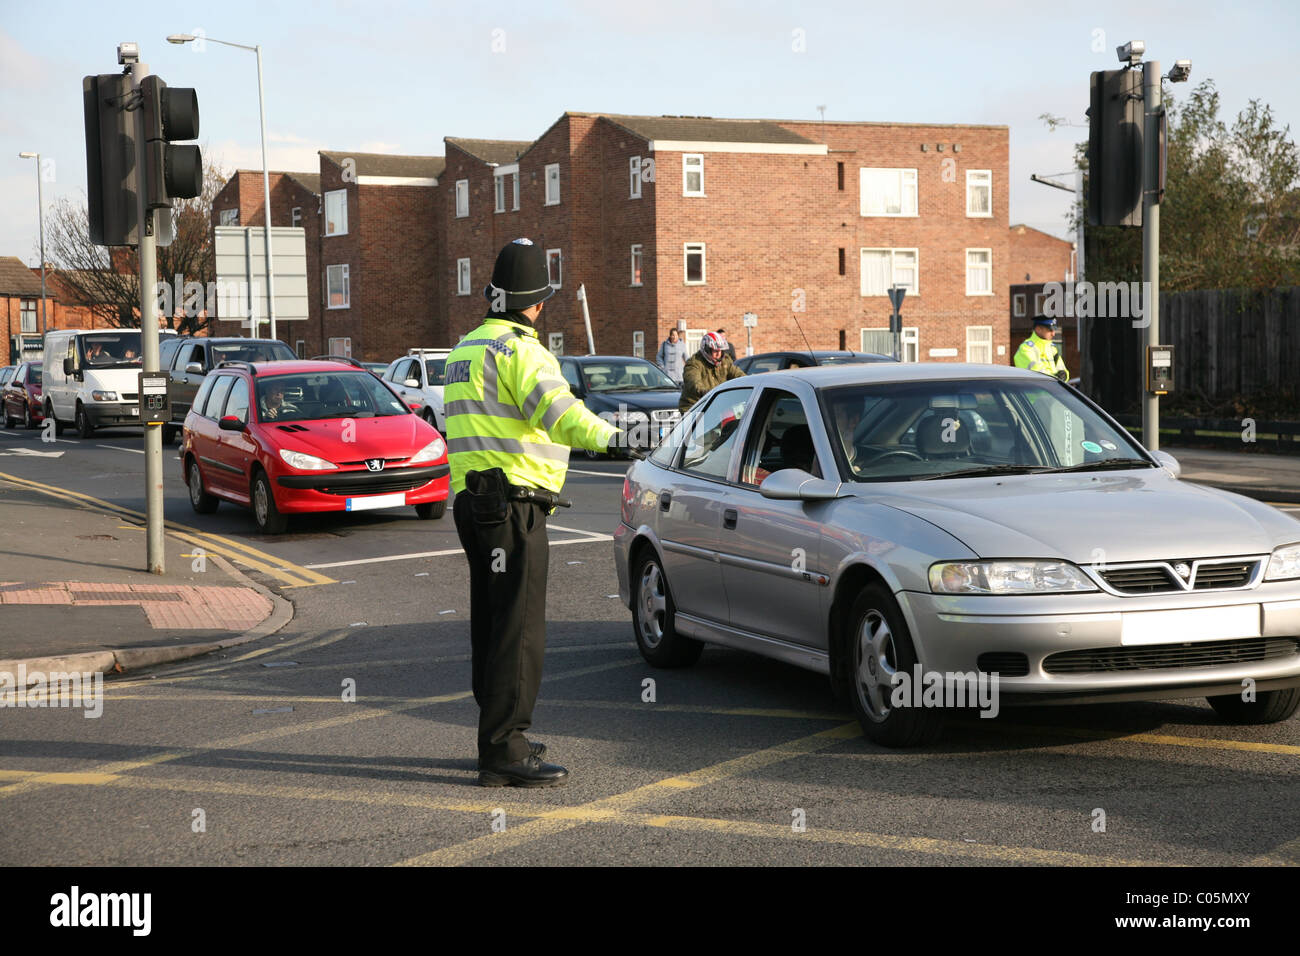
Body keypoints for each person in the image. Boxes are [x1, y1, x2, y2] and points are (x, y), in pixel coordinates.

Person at [447, 237, 625, 789]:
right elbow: (560, 413)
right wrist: (617, 437)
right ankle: (505, 749)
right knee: (520, 631)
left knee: (492, 627)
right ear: (536, 303)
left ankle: (495, 739)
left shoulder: (464, 350)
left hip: (471, 506)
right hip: (515, 507)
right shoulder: (521, 351)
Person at [678, 331, 744, 413]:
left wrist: (748, 381)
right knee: (700, 425)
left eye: (720, 351)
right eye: (715, 351)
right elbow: (693, 381)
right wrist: (705, 391)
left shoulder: (725, 361)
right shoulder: (694, 363)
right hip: (694, 407)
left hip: (714, 404)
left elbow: (738, 374)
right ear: (707, 349)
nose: (718, 354)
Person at [1014, 315, 1069, 381]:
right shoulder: (1026, 348)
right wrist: (1057, 378)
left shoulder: (1052, 349)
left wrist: (1064, 376)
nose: (1053, 334)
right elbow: (1037, 374)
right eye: (1050, 330)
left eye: (1054, 330)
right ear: (1038, 329)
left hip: (1052, 389)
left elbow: (1063, 370)